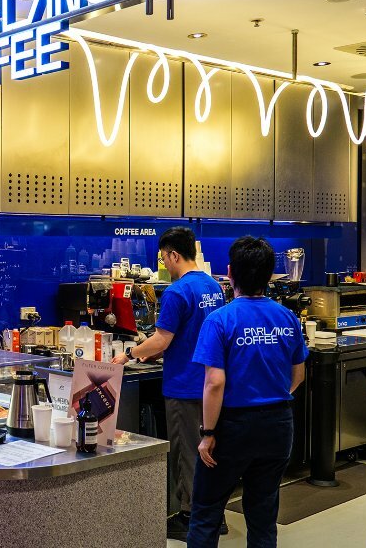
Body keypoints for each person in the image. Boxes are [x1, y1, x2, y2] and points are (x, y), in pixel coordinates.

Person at [187, 236, 309, 547]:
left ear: (229, 273)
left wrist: (208, 432)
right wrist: (271, 396)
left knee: (206, 510)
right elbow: (298, 374)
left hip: (232, 428)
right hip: (278, 425)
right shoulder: (287, 318)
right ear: (270, 276)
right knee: (263, 513)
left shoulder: (220, 320)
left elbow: (214, 382)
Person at [112, 226, 225, 540]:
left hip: (184, 385)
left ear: (174, 254)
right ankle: (213, 514)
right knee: (209, 450)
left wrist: (129, 354)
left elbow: (162, 338)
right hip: (209, 382)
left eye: (164, 257)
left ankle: (190, 516)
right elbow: (195, 334)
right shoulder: (213, 286)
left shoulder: (177, 291)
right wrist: (160, 353)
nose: (164, 263)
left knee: (187, 451)